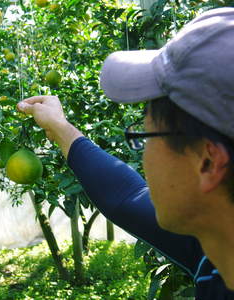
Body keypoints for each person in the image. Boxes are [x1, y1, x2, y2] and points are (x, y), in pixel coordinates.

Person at [17, 7, 234, 299]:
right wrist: (60, 128)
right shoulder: (218, 251)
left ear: (207, 162)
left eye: (145, 135)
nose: (143, 157)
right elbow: (125, 198)